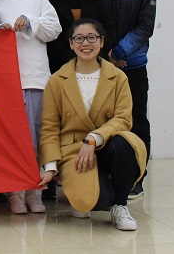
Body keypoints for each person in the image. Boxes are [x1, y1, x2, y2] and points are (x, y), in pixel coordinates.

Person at [38, 18, 147, 231]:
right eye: (79, 38)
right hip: (74, 151)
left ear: (102, 41)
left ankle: (120, 206)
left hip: (106, 144)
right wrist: (50, 167)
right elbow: (49, 127)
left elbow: (123, 119)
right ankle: (96, 194)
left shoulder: (118, 77)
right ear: (71, 44)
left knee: (125, 143)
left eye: (91, 38)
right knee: (96, 202)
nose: (85, 43)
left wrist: (93, 138)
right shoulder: (56, 80)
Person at [0, 0, 61, 215]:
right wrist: (1, 30)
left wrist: (29, 21)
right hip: (6, 78)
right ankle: (15, 194)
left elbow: (54, 29)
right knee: (13, 139)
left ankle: (35, 191)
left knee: (36, 137)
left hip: (35, 76)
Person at [95, 0, 157, 200]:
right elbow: (94, 24)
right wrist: (106, 55)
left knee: (136, 121)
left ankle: (136, 178)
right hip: (102, 67)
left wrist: (117, 52)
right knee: (104, 121)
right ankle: (110, 175)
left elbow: (145, 28)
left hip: (132, 66)